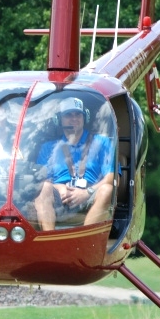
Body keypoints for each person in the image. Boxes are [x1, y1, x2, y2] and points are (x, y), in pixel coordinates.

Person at [34, 97, 115, 230]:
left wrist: (87, 192)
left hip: (90, 193)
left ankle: (85, 242)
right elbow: (42, 179)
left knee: (107, 190)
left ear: (85, 118)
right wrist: (60, 188)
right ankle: (48, 240)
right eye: (68, 115)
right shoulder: (48, 147)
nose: (74, 118)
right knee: (43, 188)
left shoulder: (102, 143)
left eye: (78, 114)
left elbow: (111, 177)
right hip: (60, 196)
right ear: (59, 119)